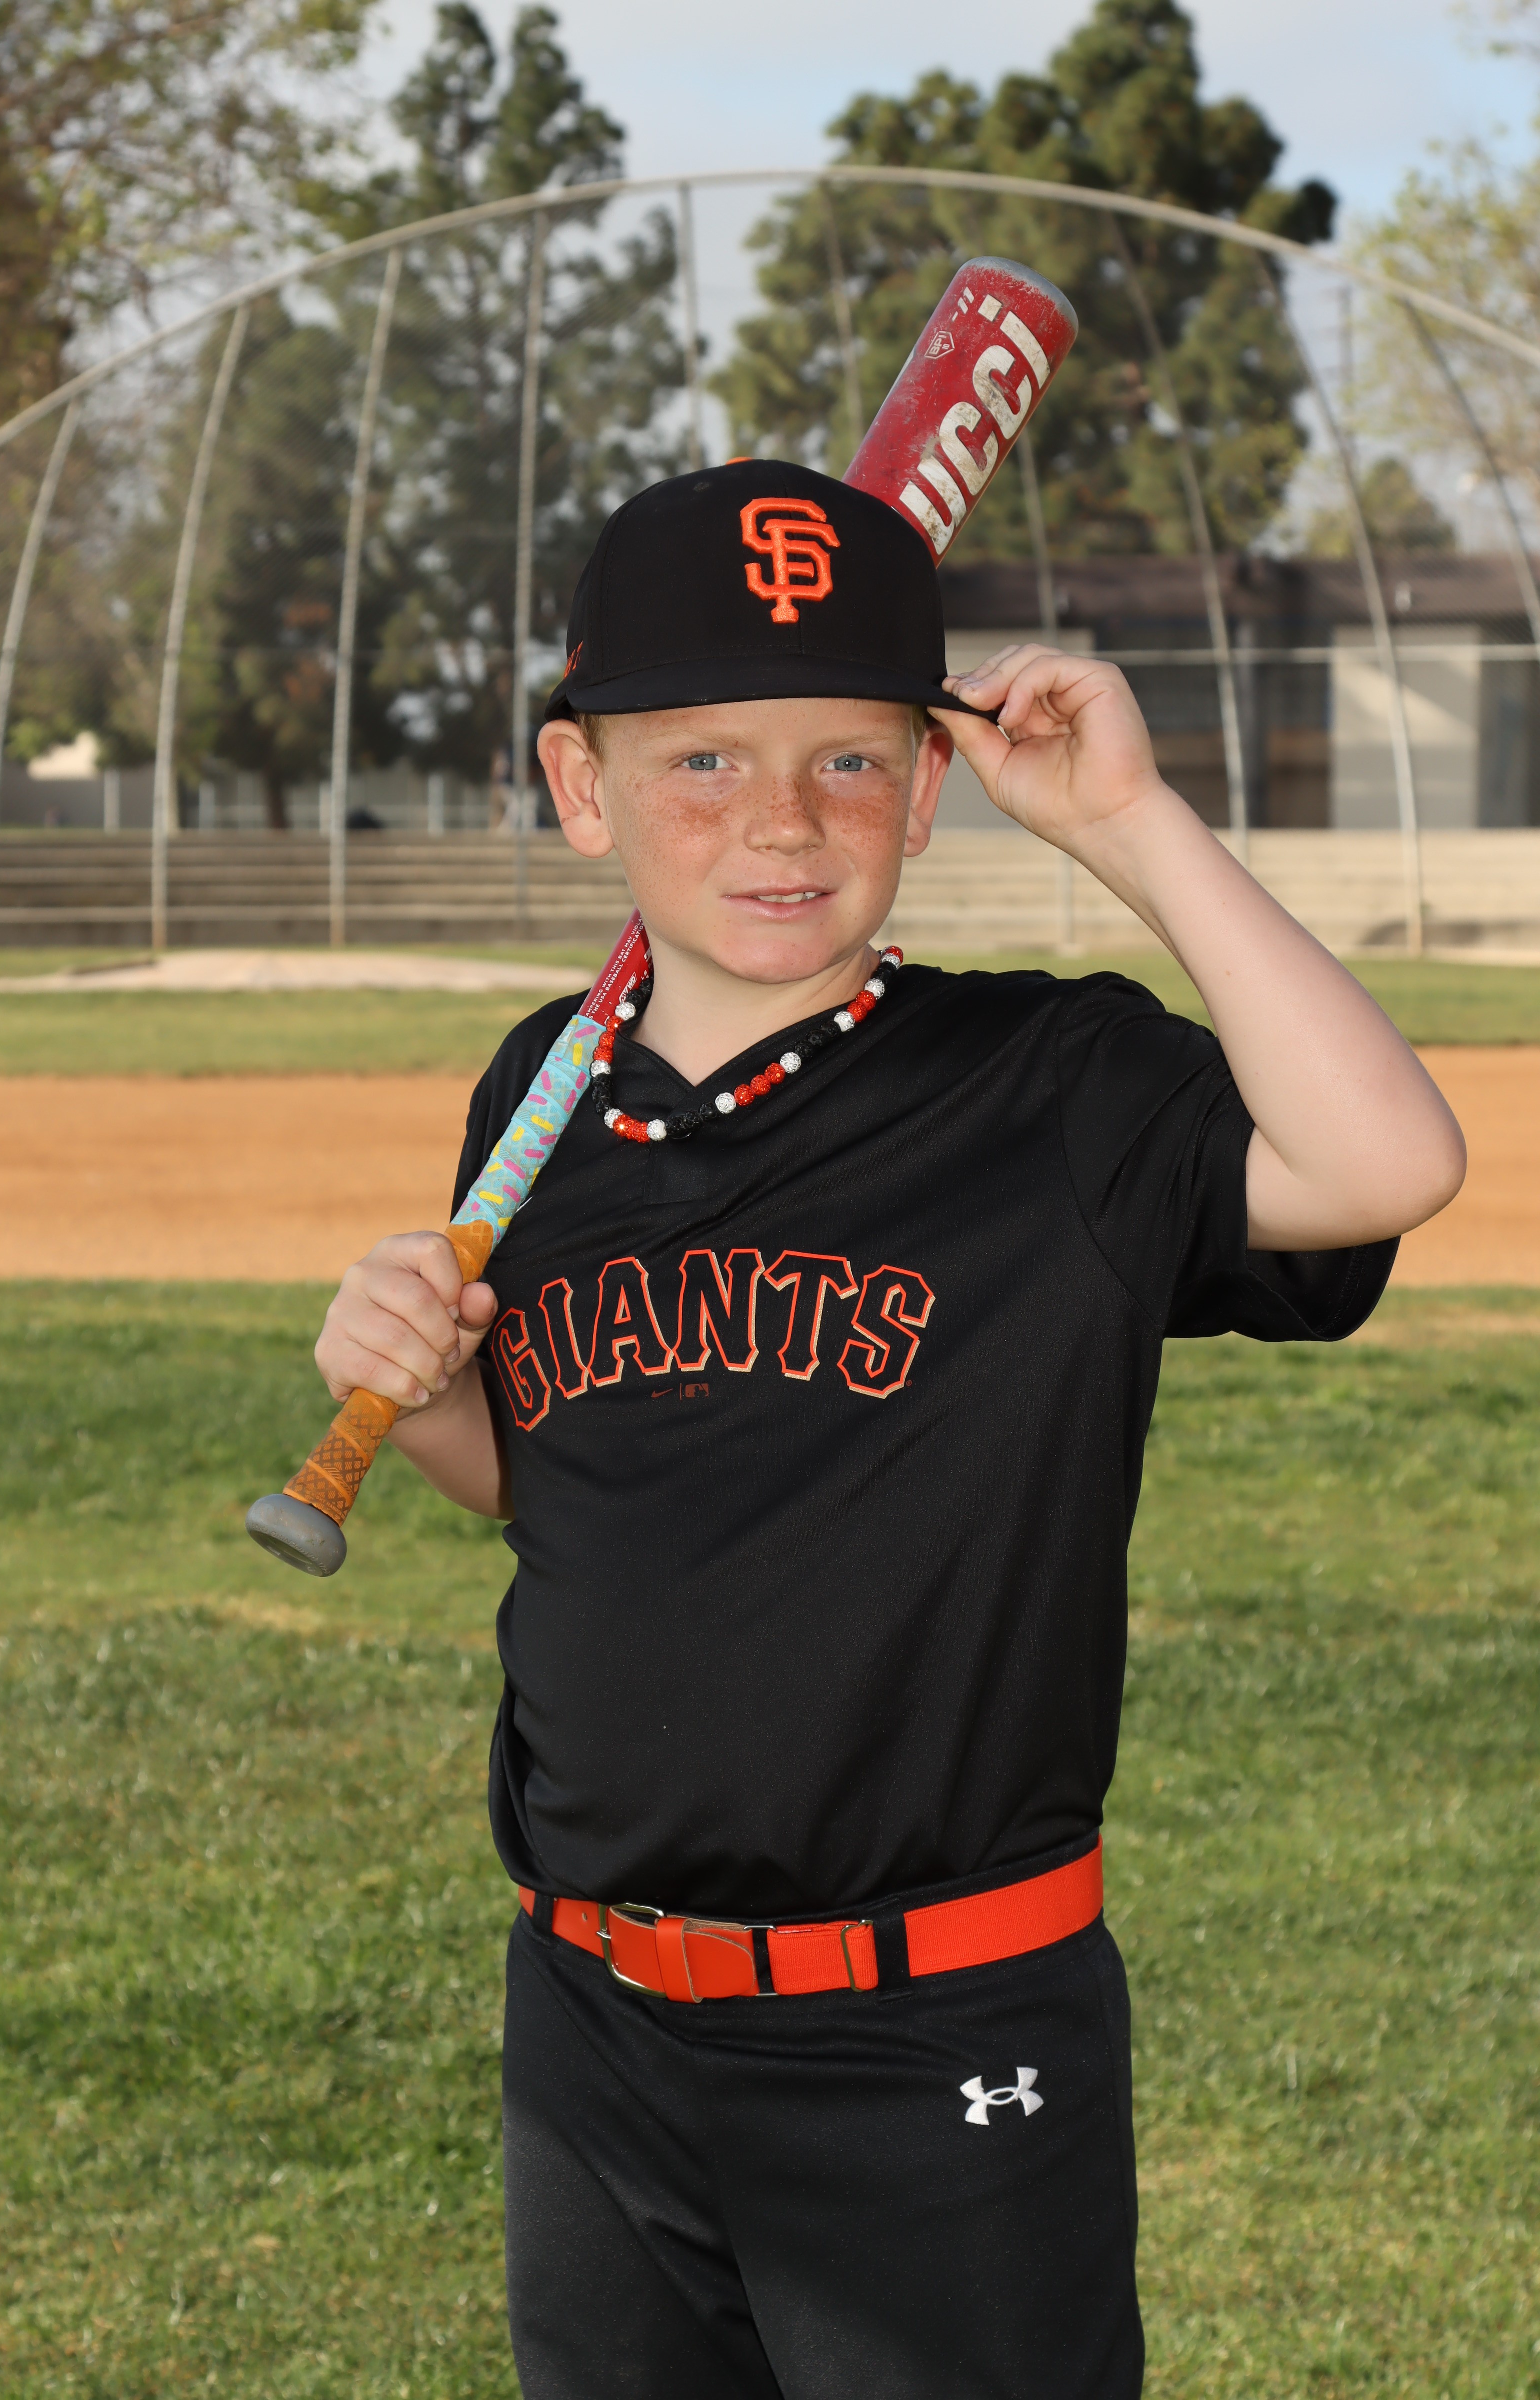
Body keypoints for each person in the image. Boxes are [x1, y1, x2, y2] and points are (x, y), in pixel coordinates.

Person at [313, 460, 1464, 2398]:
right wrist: (430, 1404)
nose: (781, 819)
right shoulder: (542, 1095)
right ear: (582, 787)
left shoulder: (1052, 1088)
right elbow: (567, 1493)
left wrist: (1130, 824)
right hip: (592, 2007)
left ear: (930, 789)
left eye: (847, 760)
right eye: (701, 762)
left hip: (935, 2026)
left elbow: (1384, 1163)